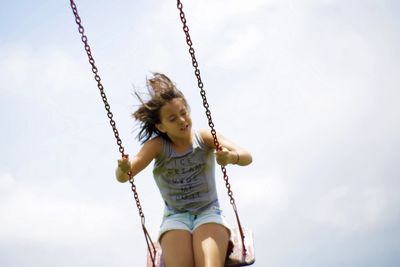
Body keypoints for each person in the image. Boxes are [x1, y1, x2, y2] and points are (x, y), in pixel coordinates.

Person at [115, 73, 252, 267]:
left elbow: (247, 156)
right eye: (173, 118)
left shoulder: (203, 137)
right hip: (175, 218)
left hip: (209, 212)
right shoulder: (157, 146)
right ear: (161, 126)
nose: (181, 120)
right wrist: (123, 168)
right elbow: (124, 176)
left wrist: (231, 157)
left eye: (183, 112)